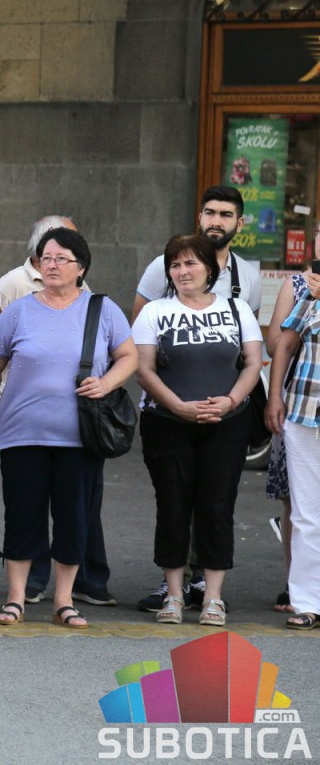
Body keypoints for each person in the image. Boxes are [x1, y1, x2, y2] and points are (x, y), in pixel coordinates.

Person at [0, 227, 137, 630]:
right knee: (22, 515)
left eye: (61, 259)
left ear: (80, 267)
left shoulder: (102, 309)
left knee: (73, 518)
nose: (51, 265)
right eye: (45, 257)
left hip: (80, 436)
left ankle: (64, 600)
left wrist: (106, 383)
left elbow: (129, 356)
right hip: (21, 432)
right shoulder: (19, 311)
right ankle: (15, 597)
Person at [131, 185, 260, 613]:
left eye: (191, 264)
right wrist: (178, 407)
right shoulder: (156, 311)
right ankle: (172, 593)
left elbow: (252, 362)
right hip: (168, 422)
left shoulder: (238, 306)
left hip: (227, 422)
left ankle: (212, 596)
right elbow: (143, 368)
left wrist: (230, 402)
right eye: (176, 265)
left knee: (216, 506)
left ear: (209, 270)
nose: (183, 271)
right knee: (173, 505)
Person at [263, 264, 320, 614]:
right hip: (304, 411)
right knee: (305, 512)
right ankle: (307, 603)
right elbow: (282, 344)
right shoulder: (309, 293)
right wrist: (274, 397)